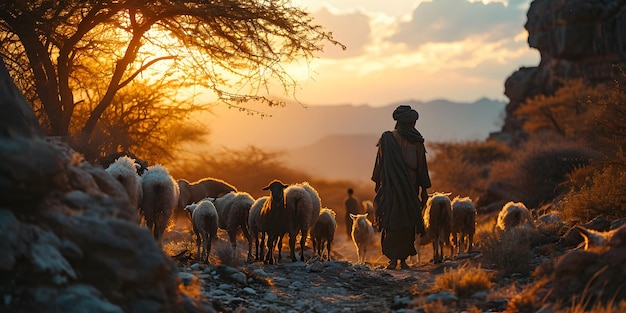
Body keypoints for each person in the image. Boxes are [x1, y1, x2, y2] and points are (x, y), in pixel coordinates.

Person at [371, 105, 431, 270]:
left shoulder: (413, 141)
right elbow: (381, 162)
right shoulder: (388, 139)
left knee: (400, 221)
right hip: (394, 186)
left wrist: (377, 184)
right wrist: (424, 189)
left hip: (403, 186)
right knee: (396, 220)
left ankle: (399, 259)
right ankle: (396, 259)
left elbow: (379, 164)